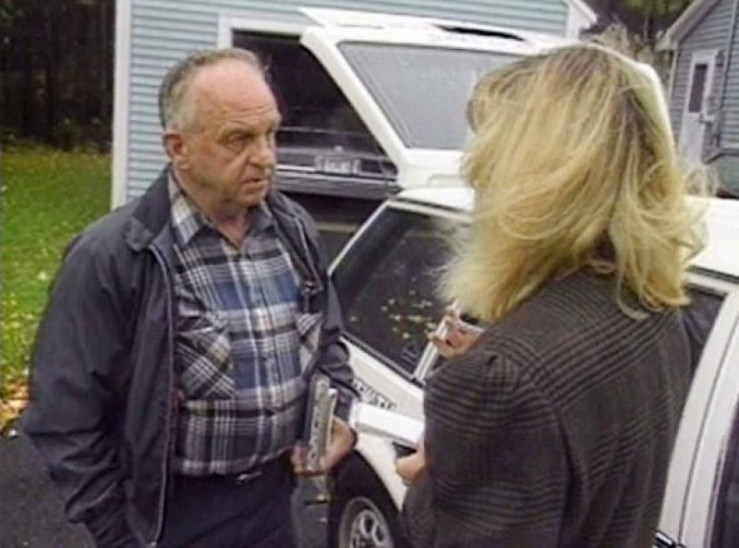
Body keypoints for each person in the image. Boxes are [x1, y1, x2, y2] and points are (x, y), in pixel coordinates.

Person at [22, 48, 358, 548]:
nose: (266, 156)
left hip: (274, 505)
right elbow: (63, 415)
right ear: (178, 147)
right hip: (171, 519)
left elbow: (326, 342)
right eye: (238, 139)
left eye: (271, 133)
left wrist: (337, 410)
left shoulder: (295, 231)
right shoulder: (114, 256)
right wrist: (119, 534)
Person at [396, 45, 708, 547]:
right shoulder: (653, 309)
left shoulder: (503, 380)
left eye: (487, 159)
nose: (476, 178)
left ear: (529, 185)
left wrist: (432, 478)